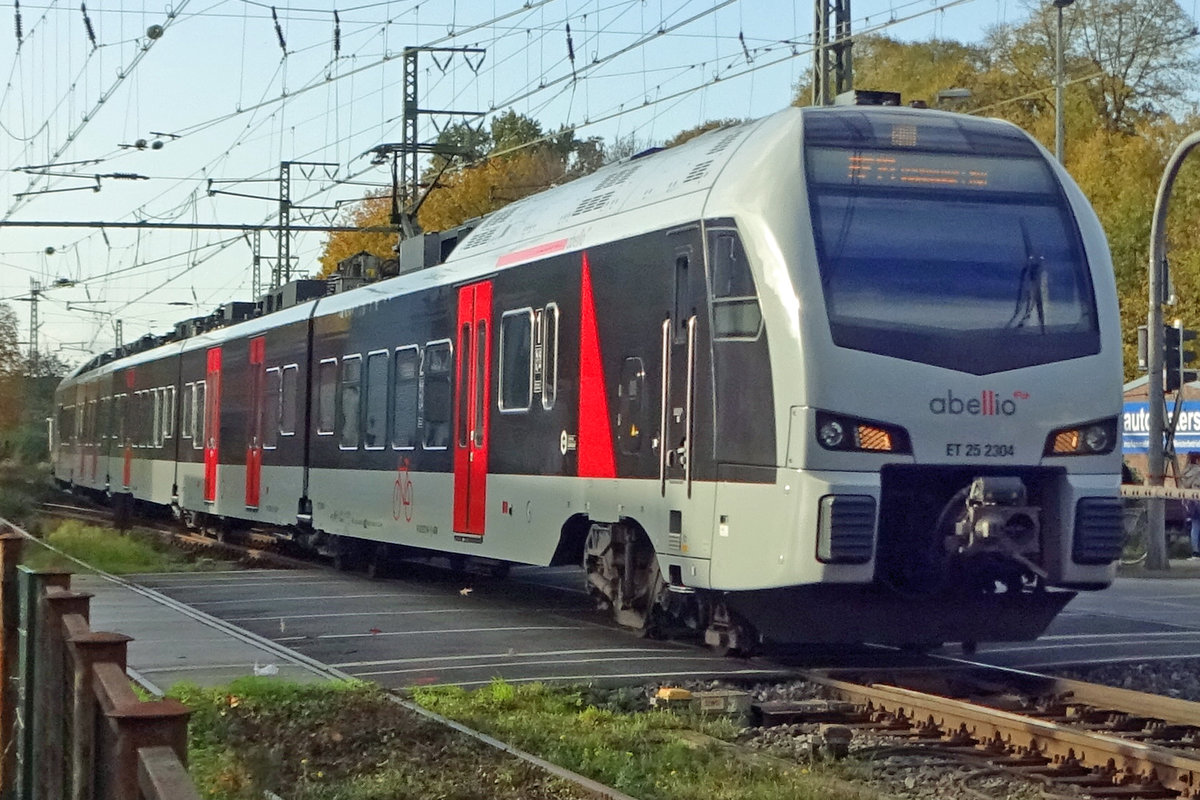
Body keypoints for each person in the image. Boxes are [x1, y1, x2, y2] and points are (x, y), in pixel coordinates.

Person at [1182, 452, 1200, 560]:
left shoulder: (1186, 472)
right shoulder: (1199, 472)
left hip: (1192, 503)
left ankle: (1195, 552)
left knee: (1195, 527)